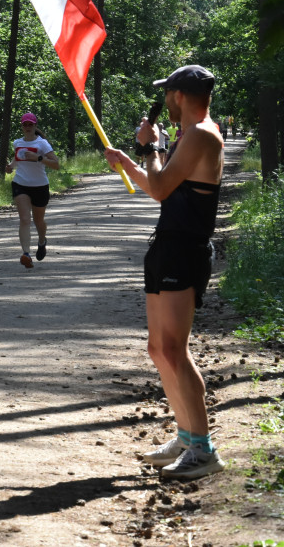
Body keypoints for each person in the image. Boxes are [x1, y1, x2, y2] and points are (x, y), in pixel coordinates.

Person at [103, 64, 226, 480]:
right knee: (159, 349)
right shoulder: (190, 136)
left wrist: (149, 147)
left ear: (177, 96)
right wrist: (129, 161)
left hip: (184, 251)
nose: (164, 105)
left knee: (175, 349)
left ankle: (203, 450)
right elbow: (162, 189)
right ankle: (187, 436)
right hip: (166, 246)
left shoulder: (202, 135)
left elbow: (159, 187)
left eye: (166, 95)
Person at [5, 112, 59, 269]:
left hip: (40, 186)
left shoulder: (42, 144)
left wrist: (39, 159)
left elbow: (56, 164)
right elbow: (17, 159)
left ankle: (42, 241)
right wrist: (10, 167)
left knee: (38, 221)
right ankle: (26, 254)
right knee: (24, 219)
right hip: (20, 183)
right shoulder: (17, 143)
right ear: (22, 127)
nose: (28, 127)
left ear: (35, 126)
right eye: (25, 124)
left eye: (30, 124)